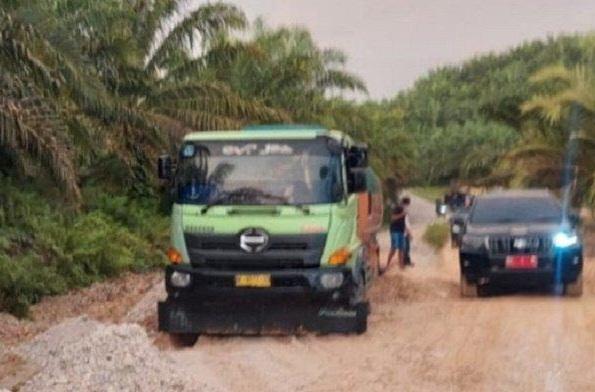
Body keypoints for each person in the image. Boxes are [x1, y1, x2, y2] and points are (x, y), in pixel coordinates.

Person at [381, 197, 412, 274]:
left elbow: (405, 221)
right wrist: (402, 214)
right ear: (405, 203)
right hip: (394, 230)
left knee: (401, 249)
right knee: (394, 248)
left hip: (401, 231)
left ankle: (401, 266)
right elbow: (393, 218)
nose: (407, 206)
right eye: (407, 204)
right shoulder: (398, 208)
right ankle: (387, 264)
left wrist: (407, 231)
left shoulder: (405, 209)